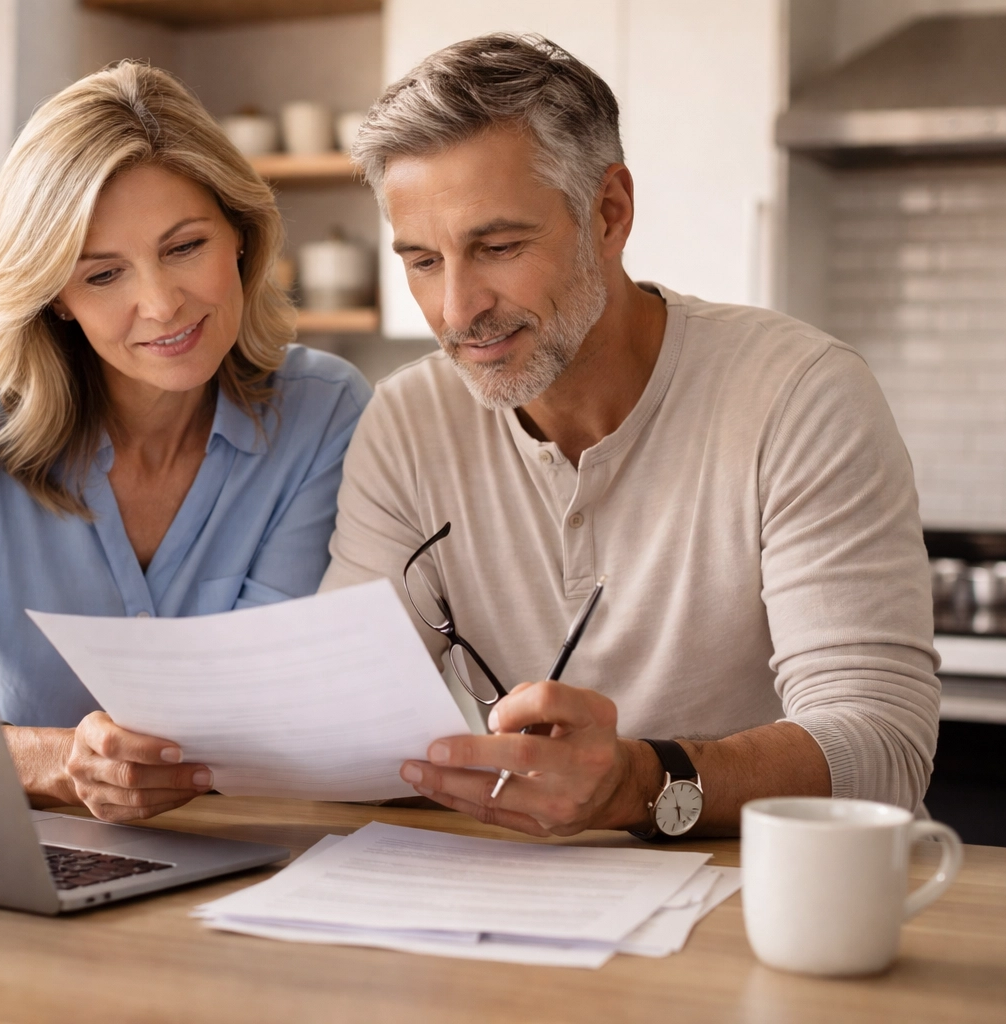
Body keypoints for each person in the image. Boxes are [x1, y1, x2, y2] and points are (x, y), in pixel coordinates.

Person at [324, 34, 939, 839]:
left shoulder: (799, 393)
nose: (455, 310)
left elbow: (883, 749)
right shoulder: (406, 422)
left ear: (609, 212)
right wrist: (172, 752)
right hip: (528, 904)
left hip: (777, 898)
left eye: (499, 247)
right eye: (422, 261)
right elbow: (334, 712)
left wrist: (641, 782)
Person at [0, 62, 369, 823]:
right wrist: (59, 763)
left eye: (185, 247)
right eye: (104, 274)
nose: (159, 304)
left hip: (245, 856)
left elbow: (269, 704)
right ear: (55, 296)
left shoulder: (322, 415)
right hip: (4, 865)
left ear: (242, 238)